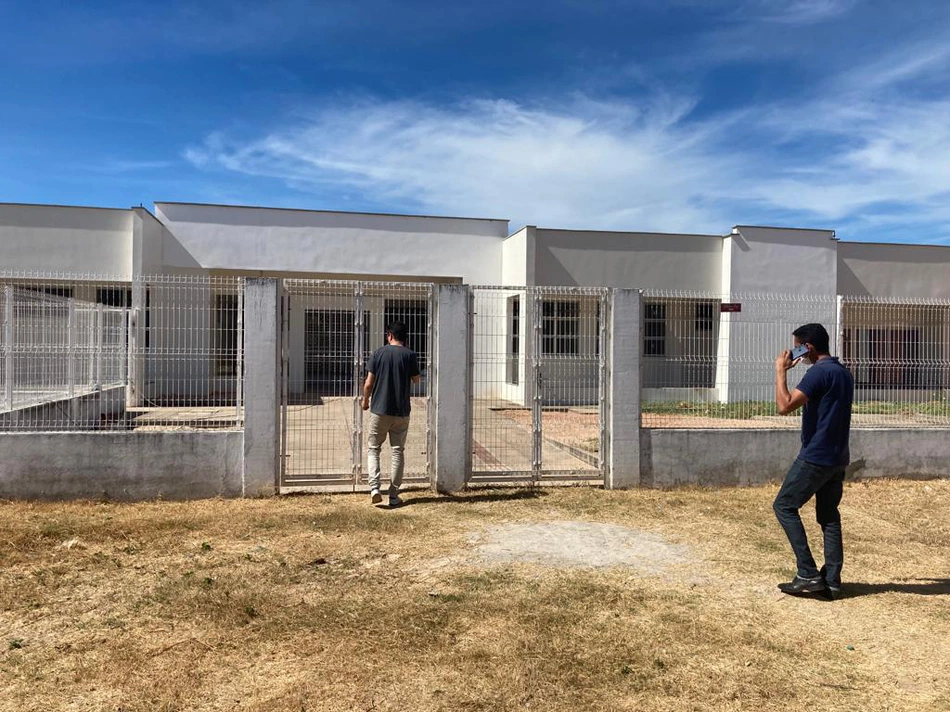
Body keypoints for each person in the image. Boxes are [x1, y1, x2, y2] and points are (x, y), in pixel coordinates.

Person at [773, 323, 854, 599]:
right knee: (829, 516)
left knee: (784, 505)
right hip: (838, 457)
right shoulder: (843, 372)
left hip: (816, 457)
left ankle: (807, 573)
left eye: (797, 346)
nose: (795, 352)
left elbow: (784, 406)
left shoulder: (817, 373)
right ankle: (831, 580)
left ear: (808, 347)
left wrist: (781, 371)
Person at [362, 320, 421, 507]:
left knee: (374, 449)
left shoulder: (378, 353)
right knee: (397, 452)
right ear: (405, 337)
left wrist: (365, 401)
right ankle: (394, 495)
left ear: (389, 336)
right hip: (402, 412)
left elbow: (369, 383)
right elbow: (416, 380)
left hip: (379, 409)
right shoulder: (410, 355)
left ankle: (374, 488)